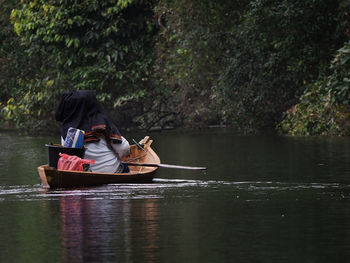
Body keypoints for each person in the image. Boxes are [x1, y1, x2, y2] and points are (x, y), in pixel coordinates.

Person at [55, 90, 130, 173]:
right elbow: (124, 149)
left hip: (79, 173)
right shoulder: (100, 125)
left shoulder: (66, 130)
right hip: (110, 172)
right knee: (125, 167)